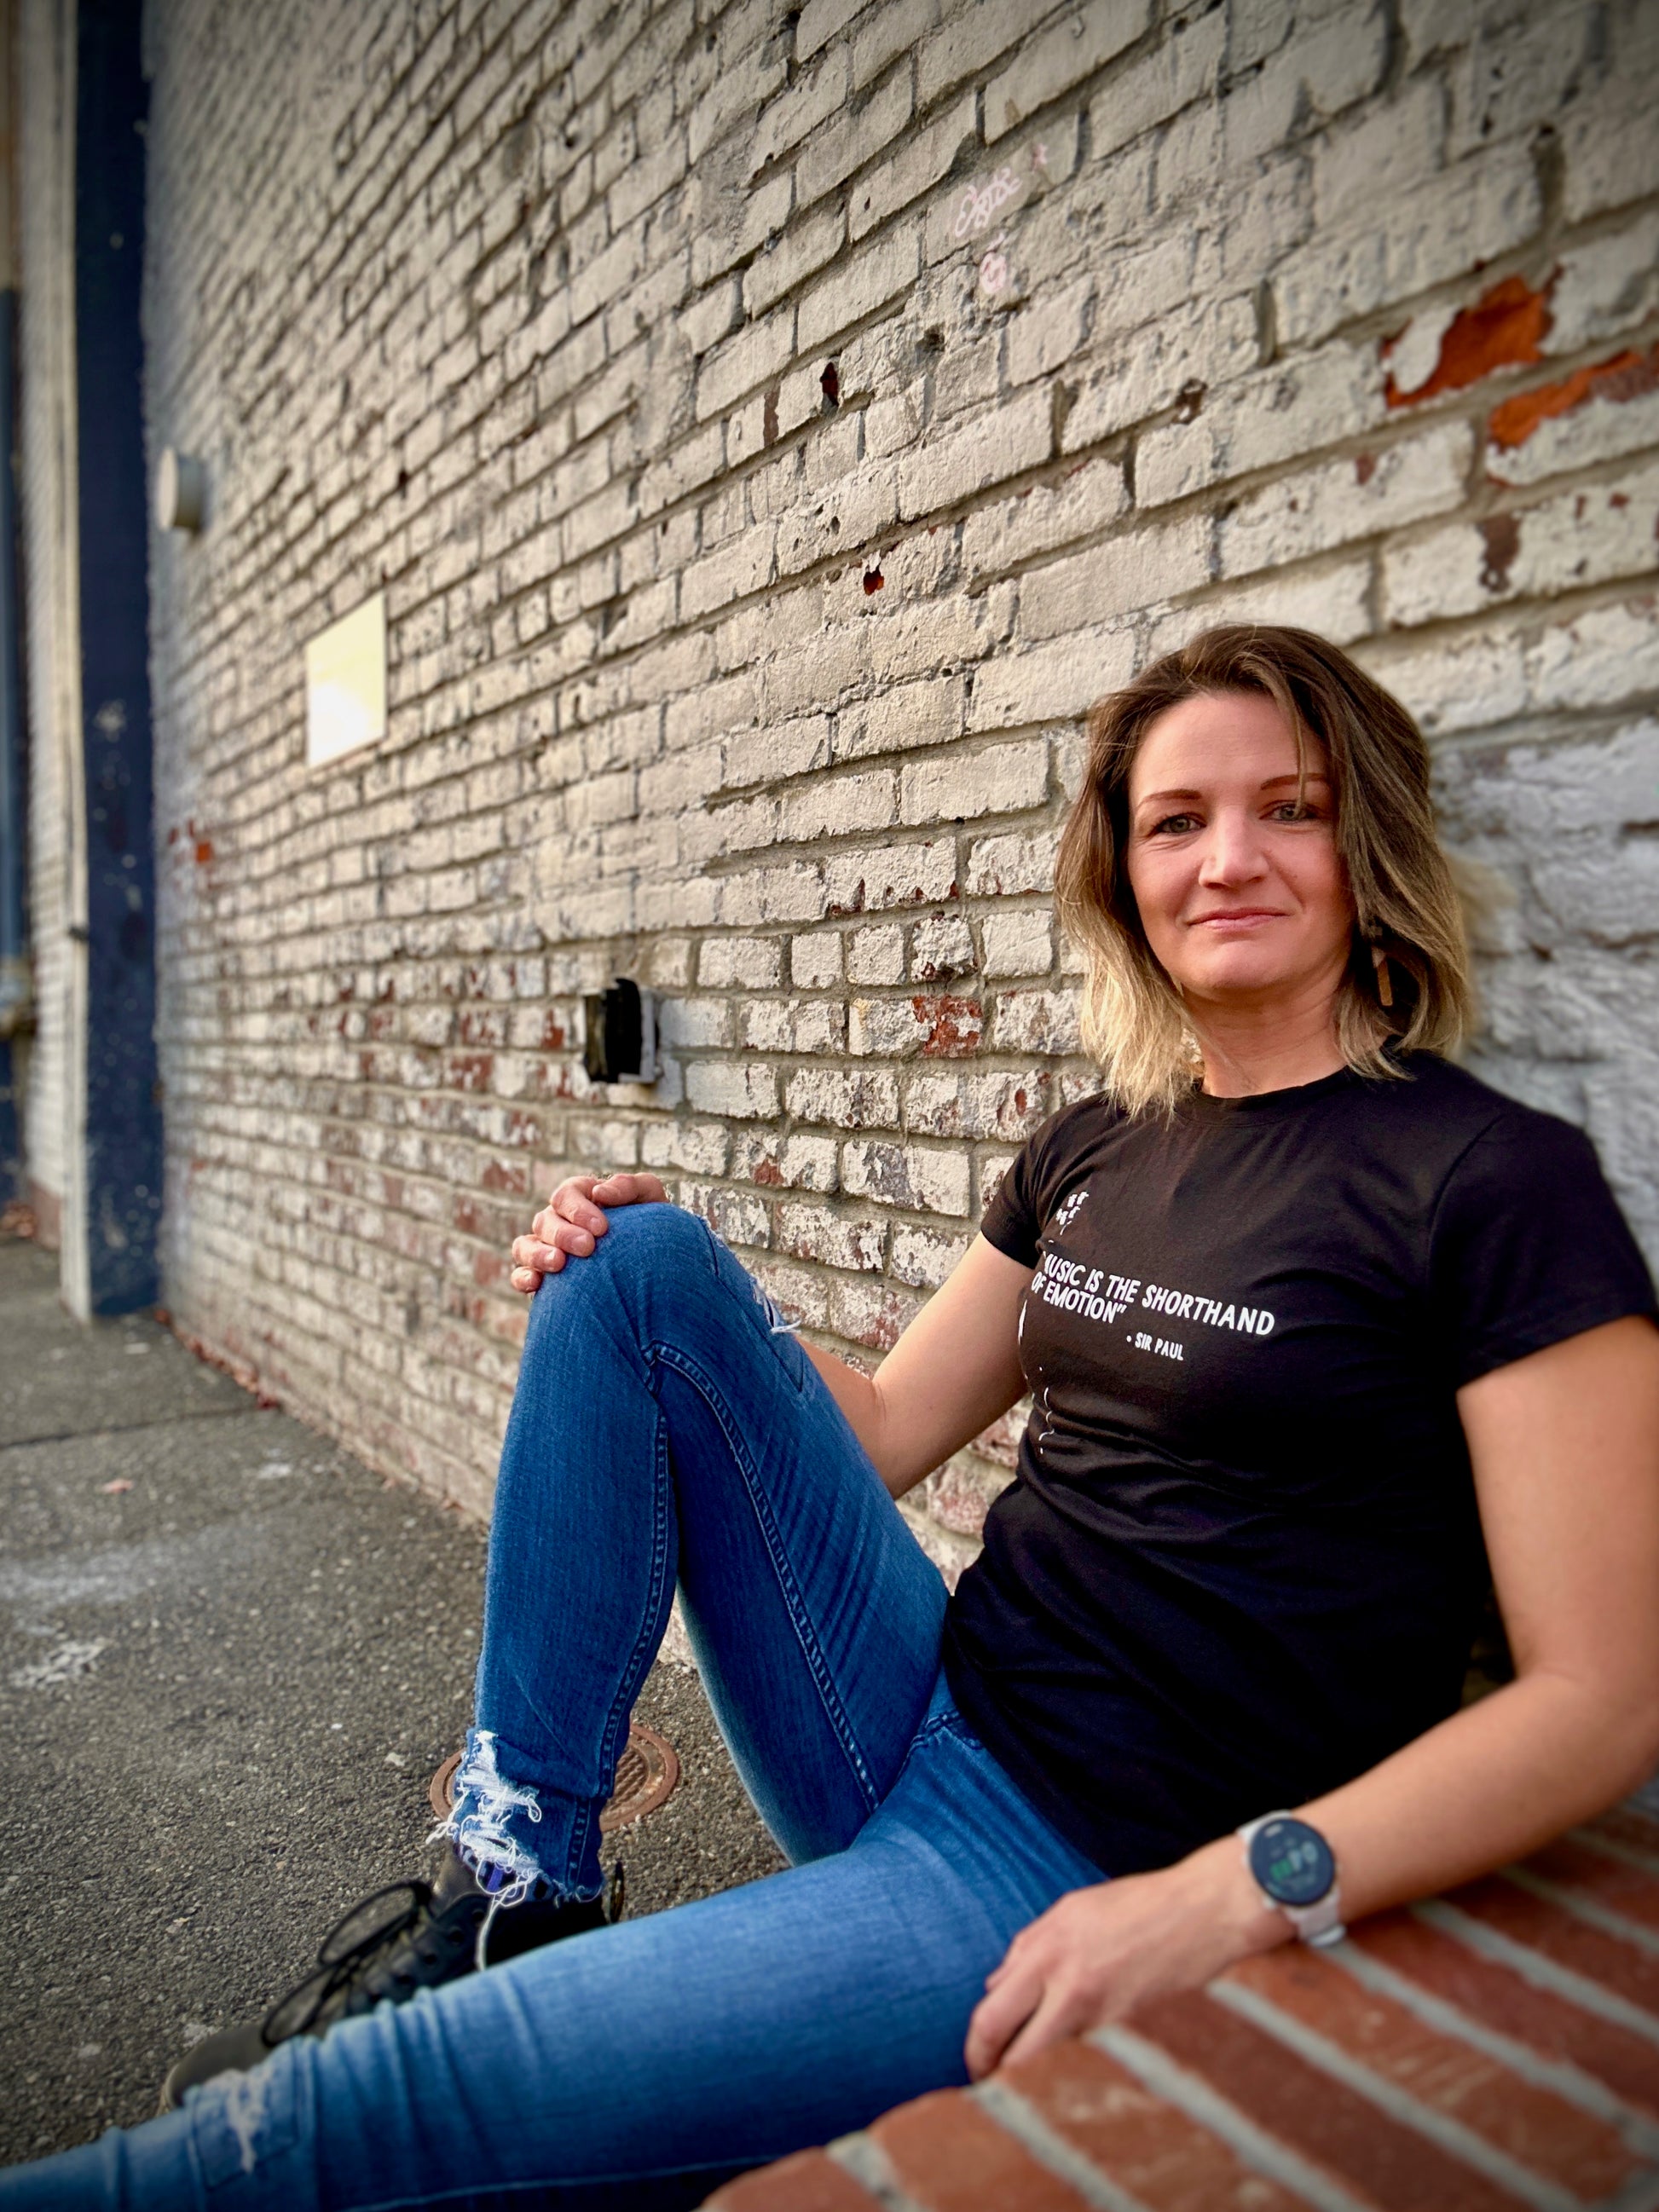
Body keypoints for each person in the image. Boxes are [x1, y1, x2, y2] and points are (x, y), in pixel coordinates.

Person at [6, 624, 1657, 2211]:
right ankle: (519, 1881)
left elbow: (1600, 1700)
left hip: (1081, 1855)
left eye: (1287, 808)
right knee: (636, 1261)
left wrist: (1230, 1893)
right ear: (1121, 874)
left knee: (329, 2126)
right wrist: (664, 1290)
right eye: (1175, 821)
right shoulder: (1093, 1143)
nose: (1226, 859)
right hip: (916, 1704)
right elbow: (875, 1435)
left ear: (1367, 848)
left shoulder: (1487, 1181)